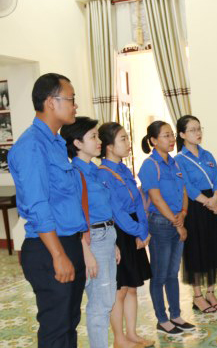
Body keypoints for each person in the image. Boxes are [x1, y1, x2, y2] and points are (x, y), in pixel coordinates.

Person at [8, 73, 87, 347]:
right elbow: (38, 205)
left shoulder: (55, 143)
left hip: (68, 243)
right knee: (55, 329)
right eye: (71, 99)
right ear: (51, 102)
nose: (75, 105)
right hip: (48, 248)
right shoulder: (31, 146)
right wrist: (58, 254)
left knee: (69, 325)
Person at [61, 117, 120, 348]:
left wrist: (113, 241)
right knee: (100, 304)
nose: (99, 141)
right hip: (91, 241)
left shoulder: (93, 170)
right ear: (77, 143)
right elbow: (76, 214)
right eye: (93, 137)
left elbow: (101, 209)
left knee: (105, 301)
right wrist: (86, 251)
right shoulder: (75, 173)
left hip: (105, 236)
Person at [97, 122, 154, 348]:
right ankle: (119, 339)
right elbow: (116, 212)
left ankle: (132, 334)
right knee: (119, 290)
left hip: (135, 230)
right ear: (109, 146)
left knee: (132, 286)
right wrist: (138, 230)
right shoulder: (103, 173)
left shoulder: (124, 169)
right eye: (123, 139)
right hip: (120, 233)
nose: (128, 143)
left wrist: (144, 229)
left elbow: (138, 201)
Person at [138, 121, 195, 335]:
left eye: (172, 135)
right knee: (160, 274)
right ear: (153, 140)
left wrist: (184, 214)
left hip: (177, 219)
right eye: (165, 136)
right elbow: (156, 198)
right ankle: (162, 319)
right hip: (161, 224)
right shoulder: (150, 165)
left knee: (173, 273)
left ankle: (176, 315)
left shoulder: (175, 163)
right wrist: (176, 222)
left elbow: (183, 192)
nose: (171, 139)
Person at [174, 115, 217, 313]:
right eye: (192, 130)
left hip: (212, 204)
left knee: (213, 248)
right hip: (195, 207)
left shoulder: (208, 155)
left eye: (199, 129)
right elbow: (187, 186)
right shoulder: (179, 159)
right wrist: (207, 201)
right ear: (182, 134)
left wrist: (215, 198)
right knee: (196, 251)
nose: (198, 133)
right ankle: (197, 296)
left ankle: (211, 292)